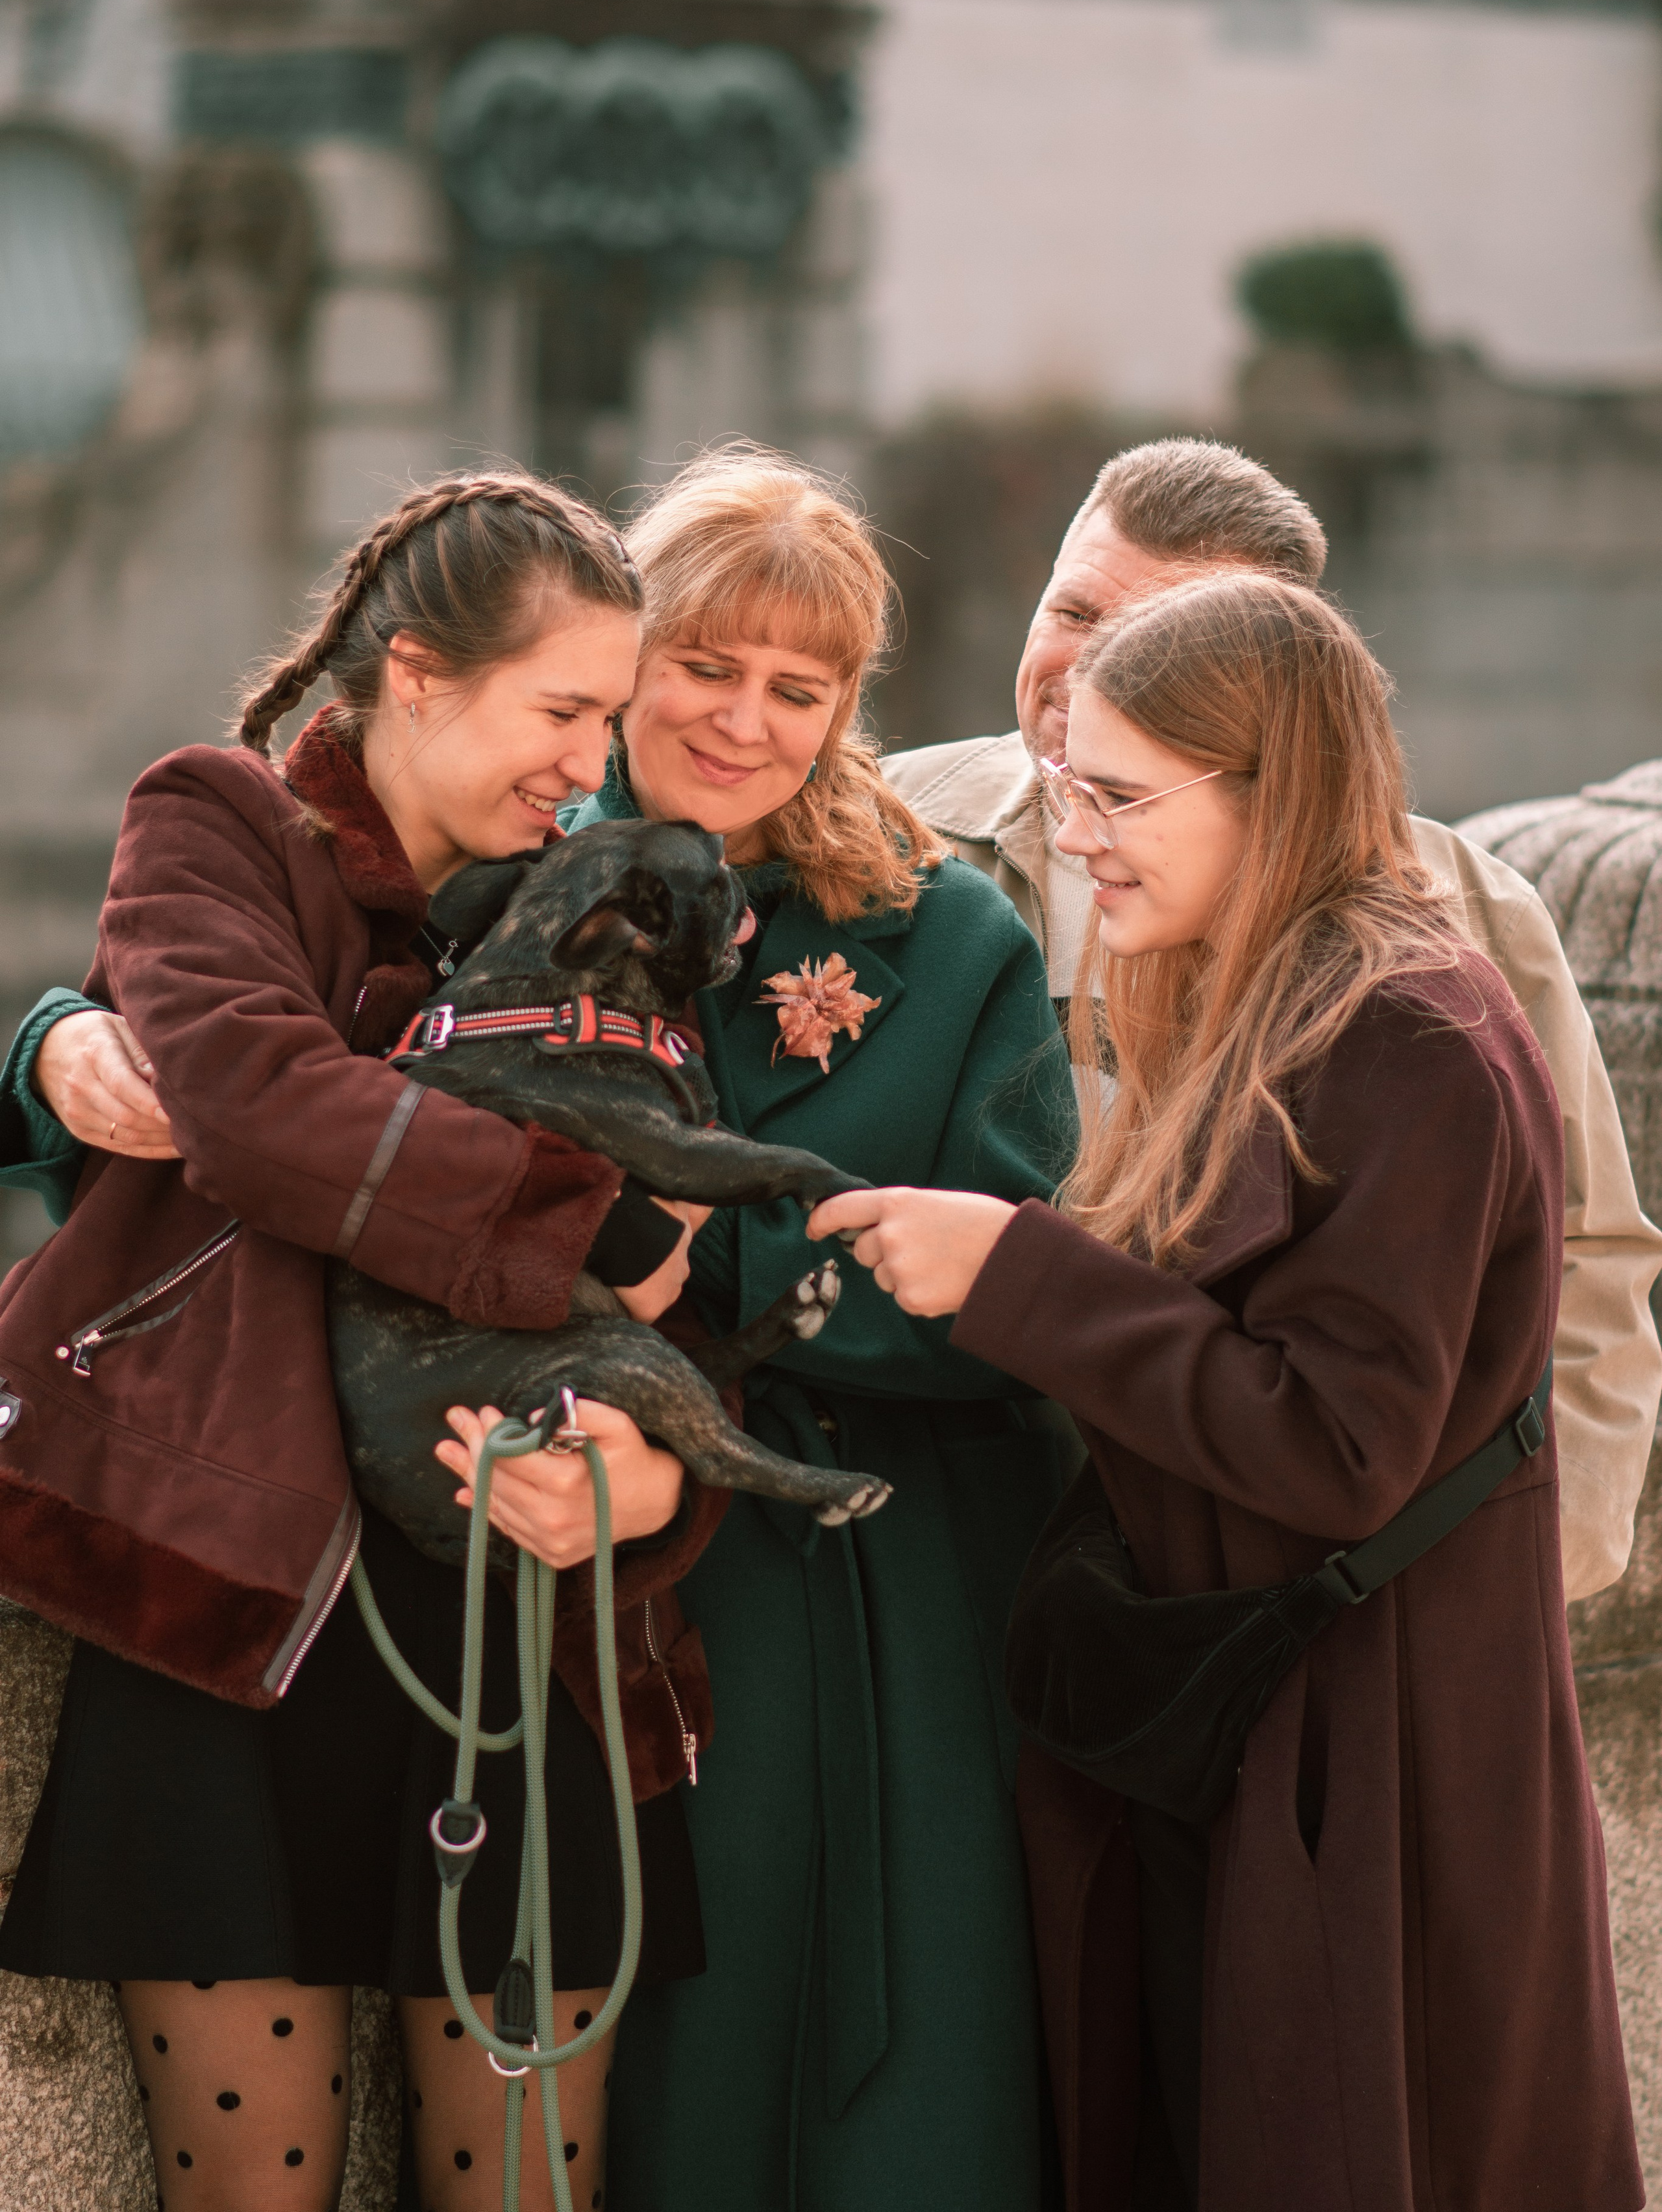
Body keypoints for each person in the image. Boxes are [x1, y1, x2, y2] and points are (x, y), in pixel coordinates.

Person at [819, 571, 1640, 2212]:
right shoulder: (1276, 990)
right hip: (1274, 1722)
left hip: (1365, 1741)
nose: (1080, 837)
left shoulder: (1403, 1031)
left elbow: (1334, 1445)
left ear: (1272, 789)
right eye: (1066, 788)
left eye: (1120, 797)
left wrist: (1015, 1276)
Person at [0, 472, 726, 2212]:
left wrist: (653, 1484)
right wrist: (590, 1222)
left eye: (610, 721)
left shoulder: (615, 903)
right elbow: (254, 1108)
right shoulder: (216, 823)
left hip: (521, 1625)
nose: (588, 761)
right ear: (414, 675)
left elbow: (711, 1303)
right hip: (225, 1605)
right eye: (561, 711)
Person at [446, 446, 1080, 2211]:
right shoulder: (490, 868)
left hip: (880, 1595)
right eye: (702, 667)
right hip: (554, 1576)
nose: (743, 719)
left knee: (892, 2109)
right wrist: (51, 1049)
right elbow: (211, 1016)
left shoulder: (949, 934)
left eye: (798, 689)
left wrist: (696, 1272)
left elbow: (1014, 1283)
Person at [882, 437, 1662, 1603]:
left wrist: (1506, 1584)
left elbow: (1584, 1261)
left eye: (1162, 642)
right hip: (929, 1545)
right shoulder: (881, 835)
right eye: (1075, 609)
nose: (1089, 668)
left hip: (1259, 1592)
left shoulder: (1459, 920)